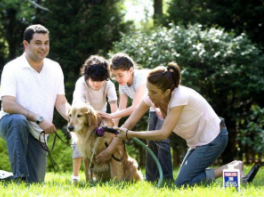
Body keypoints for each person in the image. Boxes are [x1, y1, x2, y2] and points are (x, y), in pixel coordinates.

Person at [113, 62, 249, 187]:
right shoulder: (154, 97)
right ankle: (233, 171)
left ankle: (232, 168)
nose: (149, 95)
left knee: (183, 182)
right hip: (198, 143)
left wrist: (131, 134)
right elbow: (130, 122)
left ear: (166, 92)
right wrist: (109, 150)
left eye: (153, 92)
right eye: (148, 90)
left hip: (214, 139)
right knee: (185, 179)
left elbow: (163, 133)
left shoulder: (179, 97)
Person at [0, 24, 70, 185]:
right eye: (38, 42)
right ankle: (19, 179)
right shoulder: (12, 68)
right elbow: (7, 105)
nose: (43, 47)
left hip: (38, 133)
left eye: (46, 42)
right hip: (10, 122)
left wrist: (75, 118)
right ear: (26, 44)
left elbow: (61, 102)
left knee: (34, 182)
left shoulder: (55, 68)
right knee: (18, 120)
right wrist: (38, 118)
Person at [98, 53, 173, 181]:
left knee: (162, 141)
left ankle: (166, 178)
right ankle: (150, 178)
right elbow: (121, 110)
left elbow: (135, 107)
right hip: (152, 106)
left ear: (130, 70)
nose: (118, 78)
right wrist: (112, 127)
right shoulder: (123, 85)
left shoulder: (141, 78)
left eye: (120, 75)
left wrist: (111, 115)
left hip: (166, 104)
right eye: (115, 76)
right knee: (151, 142)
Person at [71, 55, 118, 183]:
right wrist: (89, 117)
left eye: (100, 80)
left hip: (102, 118)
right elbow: (79, 105)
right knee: (78, 145)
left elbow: (115, 109)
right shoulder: (81, 83)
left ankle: (104, 175)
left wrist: (114, 127)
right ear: (87, 76)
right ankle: (75, 176)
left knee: (101, 146)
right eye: (93, 80)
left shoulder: (109, 85)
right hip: (83, 117)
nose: (97, 83)